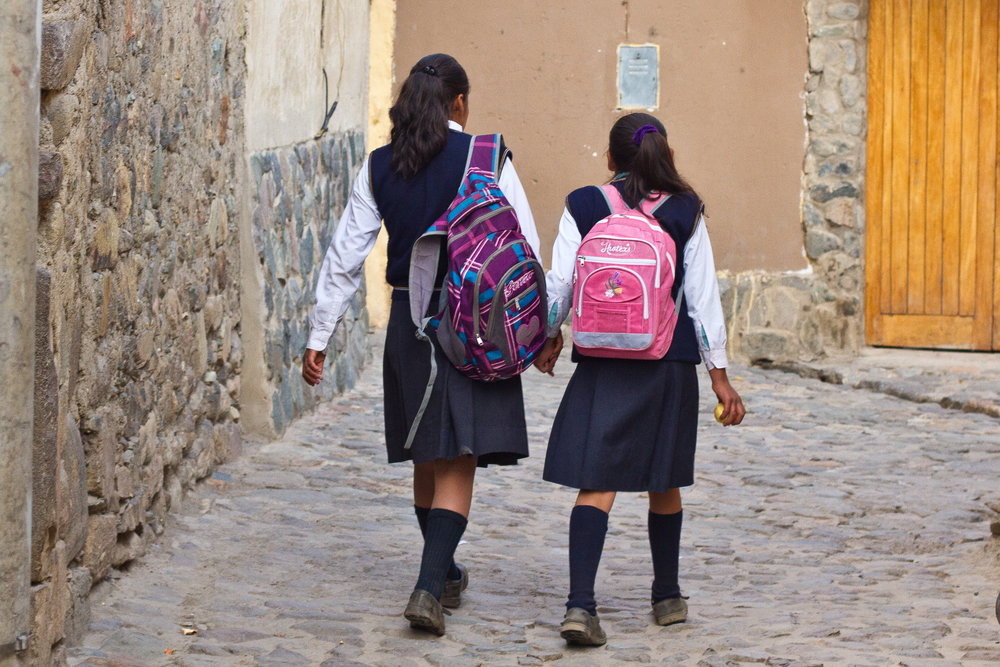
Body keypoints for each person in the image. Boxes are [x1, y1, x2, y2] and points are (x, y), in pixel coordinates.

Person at [302, 53, 541, 637]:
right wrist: (545, 326)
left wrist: (319, 334)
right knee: (459, 458)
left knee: (427, 455)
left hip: (411, 329)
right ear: (459, 103)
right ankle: (429, 587)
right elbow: (525, 247)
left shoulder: (381, 165)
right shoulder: (486, 157)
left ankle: (445, 570)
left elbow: (344, 256)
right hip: (473, 324)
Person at [533, 112, 746, 646]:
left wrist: (551, 334)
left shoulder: (583, 204)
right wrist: (719, 376)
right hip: (667, 363)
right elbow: (702, 300)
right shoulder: (684, 210)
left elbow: (560, 283)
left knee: (596, 481)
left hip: (603, 361)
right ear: (664, 155)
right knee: (664, 478)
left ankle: (581, 605)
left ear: (610, 159)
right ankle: (667, 595)